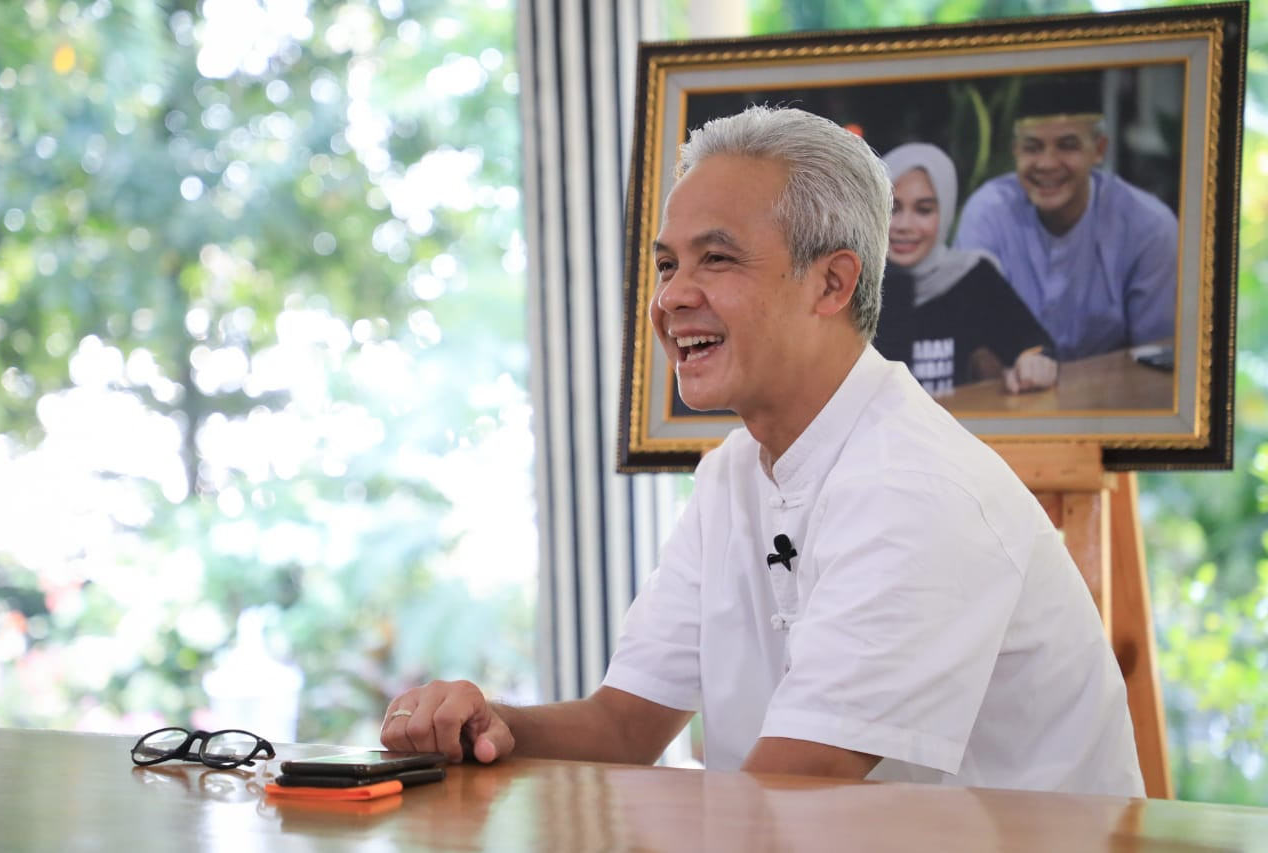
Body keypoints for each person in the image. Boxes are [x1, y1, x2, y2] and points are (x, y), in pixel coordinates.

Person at [381, 105, 1144, 796]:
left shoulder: (917, 486)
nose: (673, 296)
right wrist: (487, 723)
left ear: (833, 282)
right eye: (667, 263)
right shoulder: (731, 474)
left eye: (716, 259)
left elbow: (790, 795)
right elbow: (622, 726)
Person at [953, 72, 1178, 361]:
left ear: (1098, 150)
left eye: (1068, 145)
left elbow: (1156, 356)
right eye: (1032, 147)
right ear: (1015, 151)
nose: (1047, 164)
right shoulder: (988, 211)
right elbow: (975, 341)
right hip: (1010, 396)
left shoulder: (1150, 228)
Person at [875, 141, 1056, 396]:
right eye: (893, 208)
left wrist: (1034, 361)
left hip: (952, 431)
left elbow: (1033, 342)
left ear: (946, 211)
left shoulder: (969, 276)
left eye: (924, 210)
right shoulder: (850, 282)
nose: (904, 225)